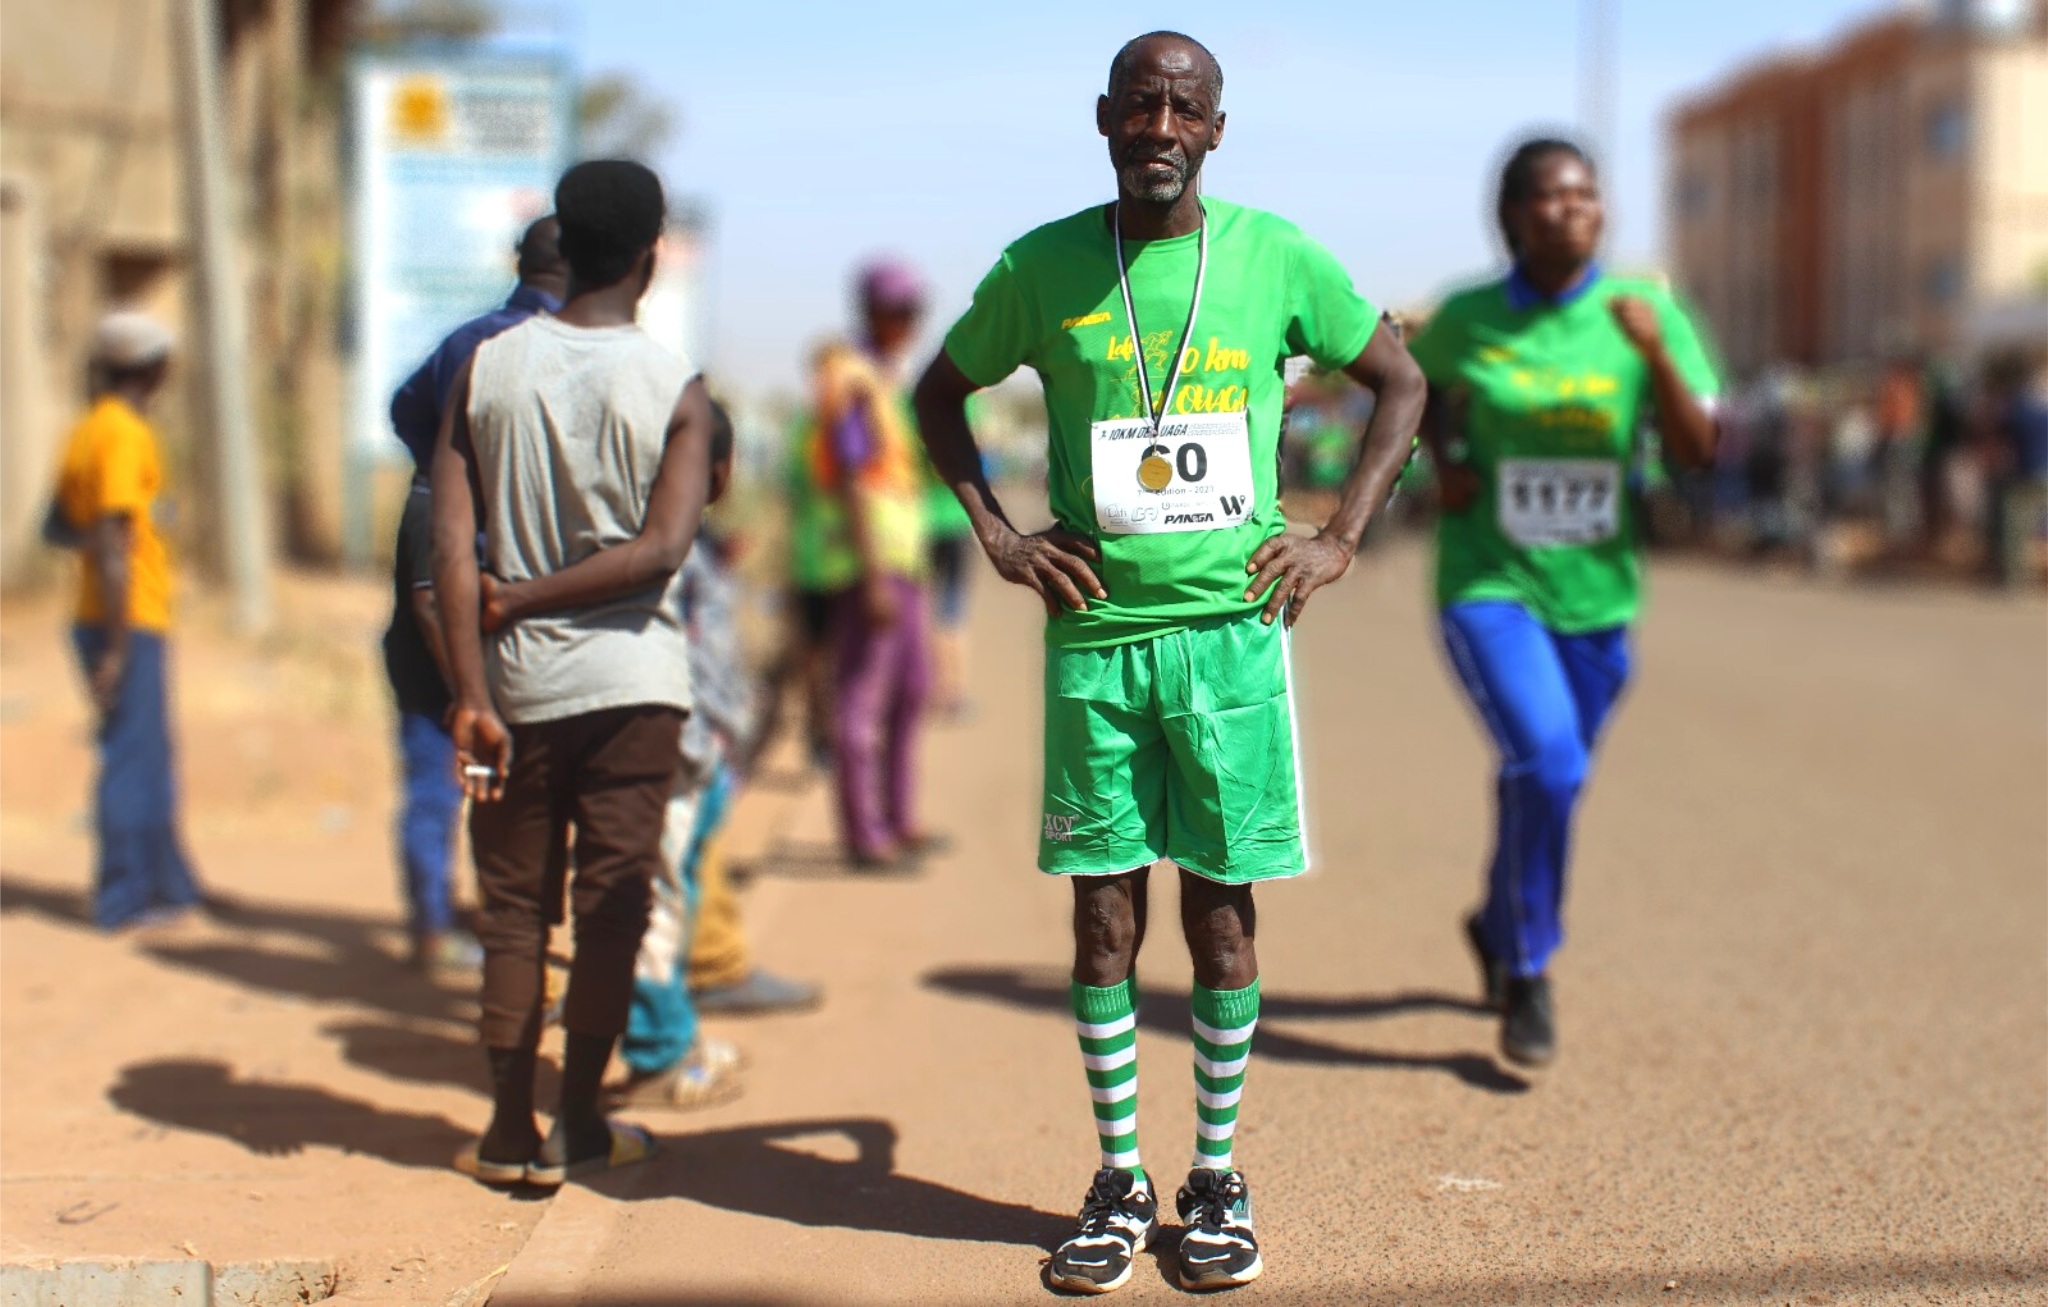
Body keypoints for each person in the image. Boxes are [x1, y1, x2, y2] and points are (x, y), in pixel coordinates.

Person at [913, 32, 1424, 1294]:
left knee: (1220, 907)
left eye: (1180, 107)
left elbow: (1399, 383)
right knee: (1099, 910)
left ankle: (1214, 1176)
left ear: (1213, 129)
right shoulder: (1039, 268)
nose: (1156, 124)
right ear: (1101, 119)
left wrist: (1340, 537)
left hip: (1230, 635)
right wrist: (998, 533)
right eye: (1137, 103)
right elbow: (936, 393)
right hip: (1095, 634)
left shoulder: (1274, 255)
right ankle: (1117, 1174)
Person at [1406, 138, 1720, 1070]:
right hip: (1489, 580)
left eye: (1585, 194)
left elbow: (1700, 448)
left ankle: (1497, 917)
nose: (1569, 209)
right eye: (1547, 196)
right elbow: (1408, 388)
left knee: (1554, 772)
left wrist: (1657, 355)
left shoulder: (1647, 312)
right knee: (1546, 760)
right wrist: (1449, 461)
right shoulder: (1467, 316)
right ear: (1510, 216)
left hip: (1598, 593)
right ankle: (1530, 966)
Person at [431, 160, 714, 1186]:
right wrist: (547, 596)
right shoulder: (672, 384)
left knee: (511, 909)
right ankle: (580, 1123)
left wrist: (473, 684)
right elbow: (659, 551)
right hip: (635, 687)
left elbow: (451, 548)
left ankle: (509, 1130)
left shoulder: (488, 368)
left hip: (512, 689)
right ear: (648, 256)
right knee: (609, 909)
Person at [383, 217, 567, 972]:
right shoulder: (558, 350)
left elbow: (403, 406)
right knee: (483, 774)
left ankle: (449, 919)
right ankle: (463, 929)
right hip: (478, 624)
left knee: (444, 773)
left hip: (448, 609)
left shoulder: (466, 342)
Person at [52, 311, 207, 931]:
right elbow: (116, 537)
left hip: (104, 613)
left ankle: (170, 884)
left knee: (150, 753)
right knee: (129, 754)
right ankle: (124, 896)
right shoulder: (121, 435)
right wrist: (117, 647)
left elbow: (59, 525)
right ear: (150, 369)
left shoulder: (88, 429)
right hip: (125, 618)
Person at [814, 265, 937, 868]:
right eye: (900, 312)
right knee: (862, 703)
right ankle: (865, 834)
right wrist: (869, 576)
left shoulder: (886, 377)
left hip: (903, 558)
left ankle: (898, 814)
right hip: (872, 562)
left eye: (914, 311)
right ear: (872, 313)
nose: (910, 325)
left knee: (913, 690)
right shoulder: (854, 379)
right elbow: (856, 481)